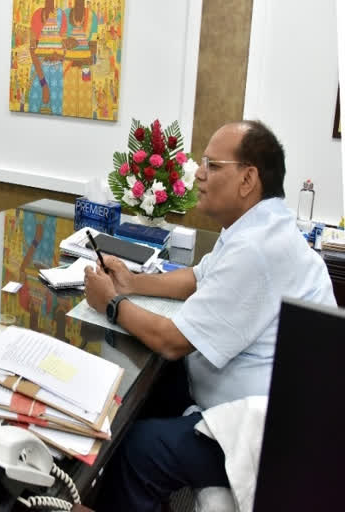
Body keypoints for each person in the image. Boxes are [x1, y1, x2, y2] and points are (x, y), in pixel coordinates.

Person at [83, 121, 336, 511]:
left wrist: (111, 304)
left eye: (212, 166)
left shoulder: (258, 248)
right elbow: (197, 278)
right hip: (248, 401)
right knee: (139, 395)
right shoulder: (257, 227)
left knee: (139, 449)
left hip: (261, 432)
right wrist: (132, 283)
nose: (198, 174)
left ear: (247, 178)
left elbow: (172, 341)